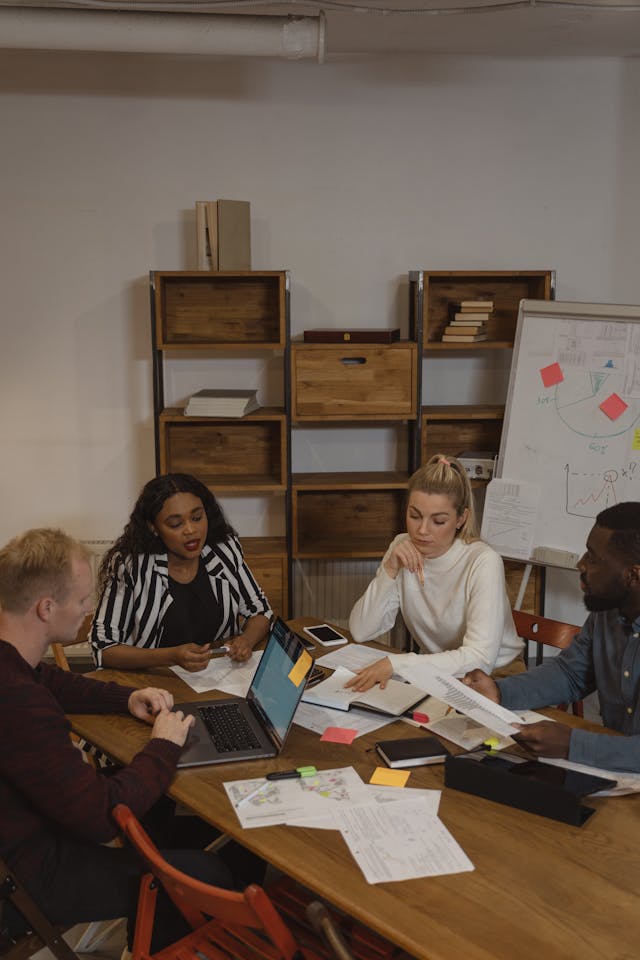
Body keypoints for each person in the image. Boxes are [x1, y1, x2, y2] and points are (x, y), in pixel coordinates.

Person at [0, 528, 232, 948]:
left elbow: (50, 680)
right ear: (46, 608)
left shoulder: (14, 665)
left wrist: (126, 698)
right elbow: (98, 815)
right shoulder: (20, 705)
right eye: (83, 599)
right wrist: (163, 745)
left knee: (162, 820)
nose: (89, 610)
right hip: (27, 880)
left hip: (26, 839)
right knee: (204, 875)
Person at [463, 501, 640, 773]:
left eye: (593, 557)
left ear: (632, 575)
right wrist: (500, 692)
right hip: (617, 776)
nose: (581, 564)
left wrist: (572, 744)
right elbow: (571, 674)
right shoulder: (608, 611)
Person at [345, 454, 523, 693]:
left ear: (461, 519)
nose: (422, 530)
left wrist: (398, 663)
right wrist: (390, 570)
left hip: (497, 677)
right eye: (414, 516)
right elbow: (360, 630)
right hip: (439, 672)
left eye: (438, 521)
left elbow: (480, 658)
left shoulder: (483, 561)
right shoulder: (402, 547)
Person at [91, 473, 272, 670]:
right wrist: (170, 656)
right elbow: (103, 648)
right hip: (155, 684)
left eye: (197, 517)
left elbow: (260, 611)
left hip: (218, 679)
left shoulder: (223, 550)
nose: (190, 530)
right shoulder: (132, 566)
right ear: (154, 527)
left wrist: (246, 640)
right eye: (176, 524)